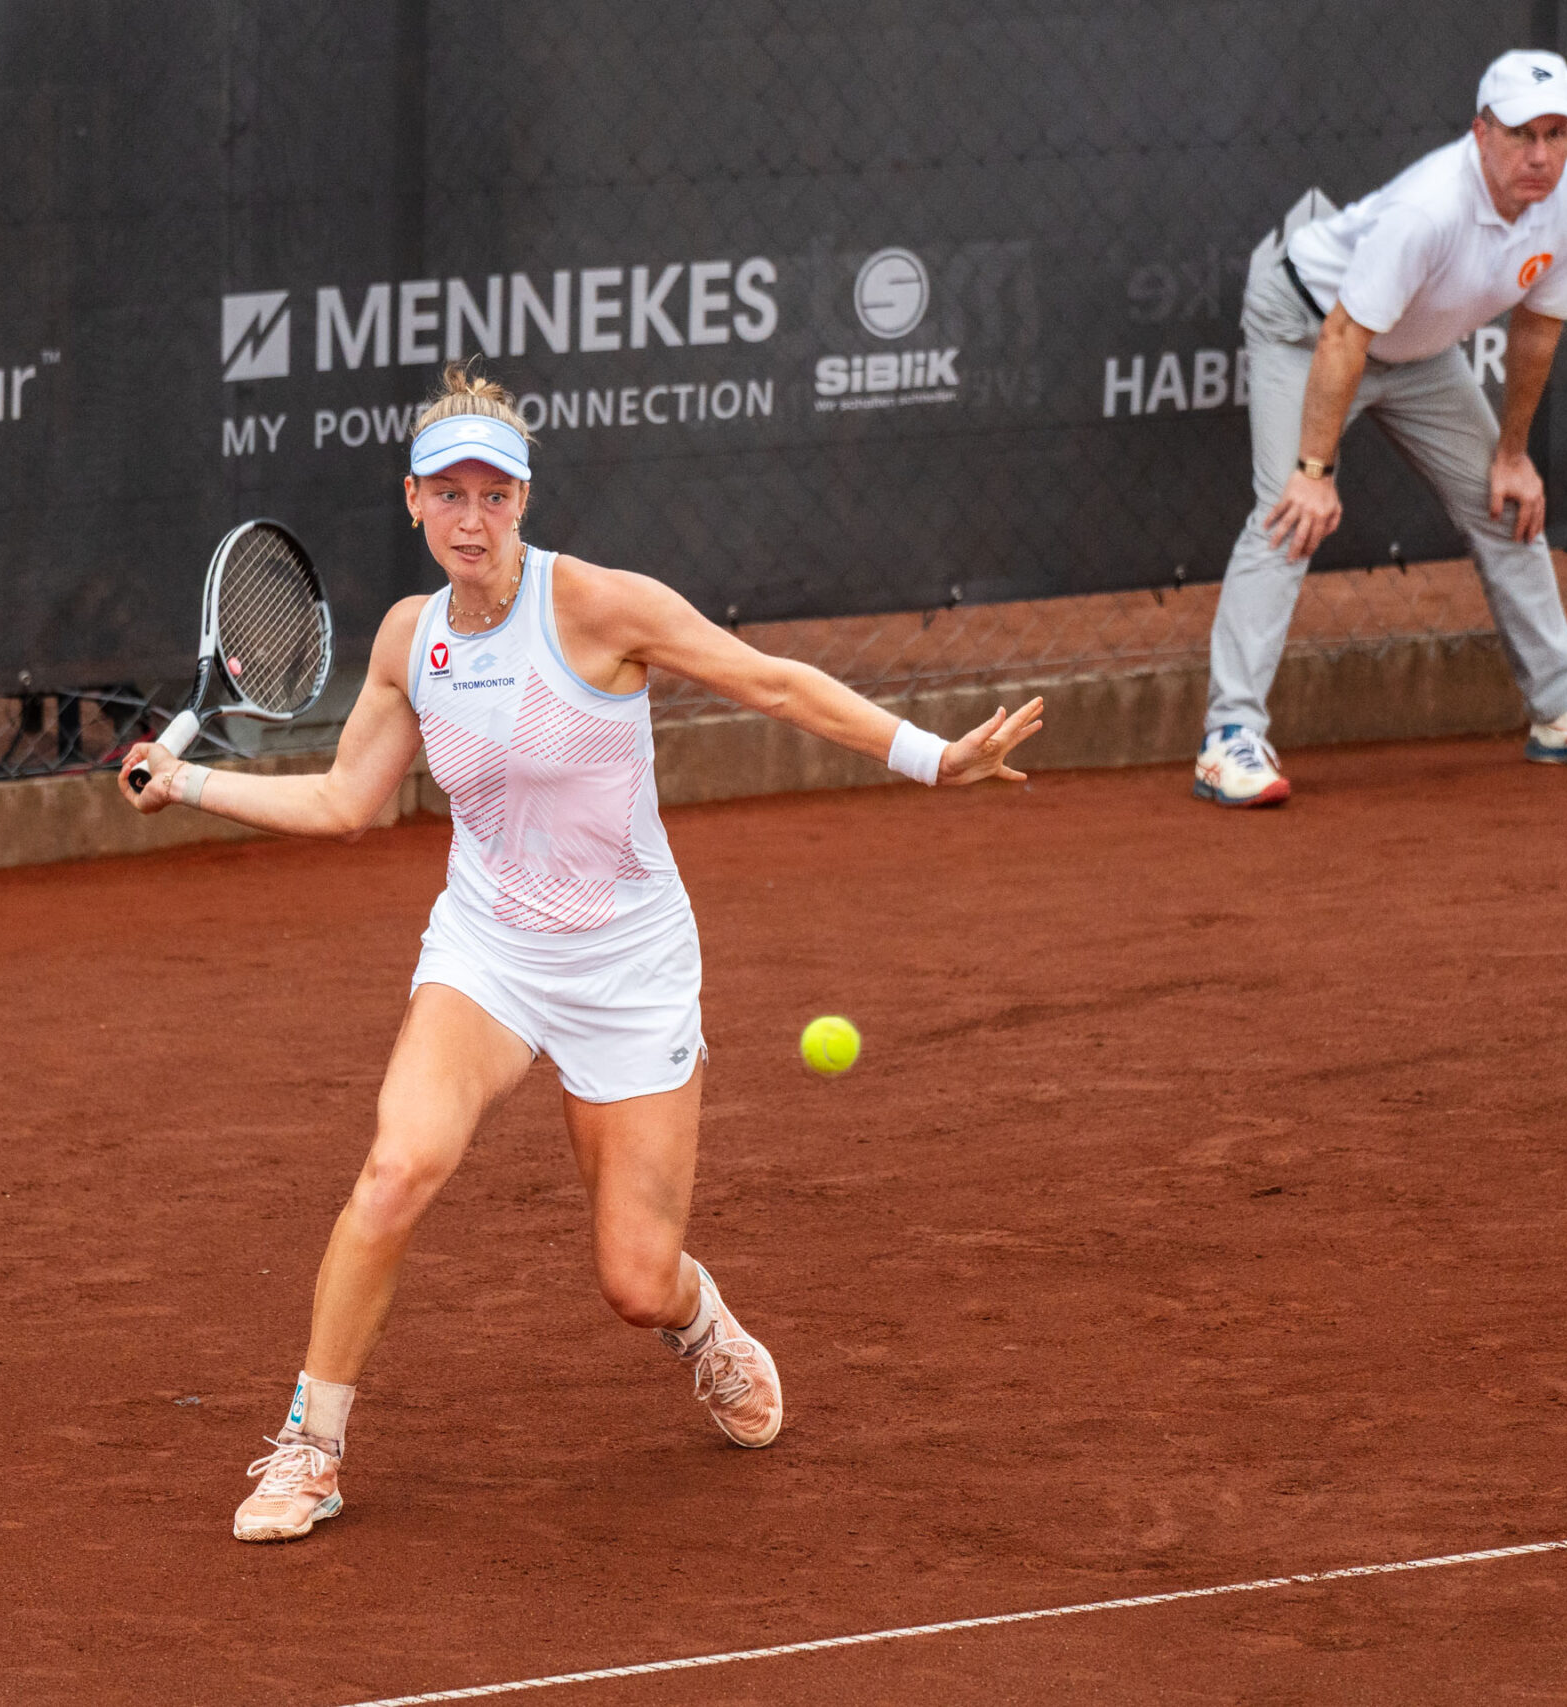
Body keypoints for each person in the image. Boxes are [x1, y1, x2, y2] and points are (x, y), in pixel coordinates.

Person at [120, 368, 1044, 1542]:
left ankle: (698, 1322)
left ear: (522, 499)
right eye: (446, 493)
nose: (470, 517)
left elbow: (766, 679)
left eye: (492, 494)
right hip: (488, 951)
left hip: (627, 964)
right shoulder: (411, 639)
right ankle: (312, 1447)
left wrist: (927, 755)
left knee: (632, 1281)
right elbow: (352, 800)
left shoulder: (602, 608)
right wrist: (190, 782)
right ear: (411, 502)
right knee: (397, 1170)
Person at [1193, 48, 1567, 809]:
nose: (1540, 155)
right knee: (1288, 517)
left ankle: (1559, 710)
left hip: (1415, 348)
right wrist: (1314, 474)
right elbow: (1346, 335)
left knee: (1507, 503)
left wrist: (1513, 453)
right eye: (1521, 134)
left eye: (1557, 134)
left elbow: (1538, 326)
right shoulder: (1430, 208)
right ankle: (1228, 739)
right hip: (1310, 329)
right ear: (1481, 132)